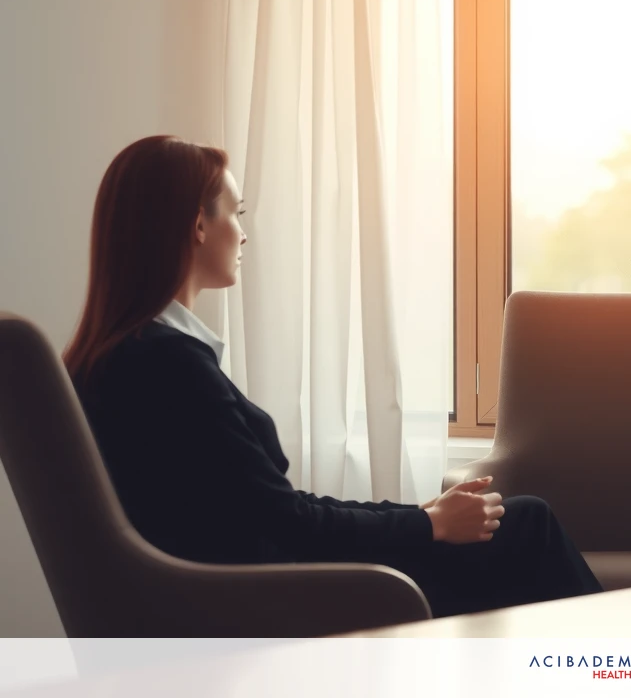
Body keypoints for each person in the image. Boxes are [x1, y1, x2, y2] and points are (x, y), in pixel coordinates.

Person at [64, 135, 602, 618]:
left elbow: (273, 506)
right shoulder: (168, 364)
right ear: (198, 225)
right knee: (525, 524)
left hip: (250, 587)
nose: (244, 234)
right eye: (236, 213)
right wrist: (429, 526)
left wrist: (421, 513)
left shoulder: (124, 357)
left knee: (515, 527)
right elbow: (289, 520)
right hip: (274, 603)